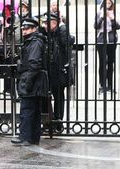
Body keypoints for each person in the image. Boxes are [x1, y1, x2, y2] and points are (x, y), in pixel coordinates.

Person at [11, 17, 48, 146]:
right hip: (33, 80)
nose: (24, 31)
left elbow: (34, 64)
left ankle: (26, 136)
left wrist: (27, 82)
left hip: (31, 80)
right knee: (33, 110)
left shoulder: (35, 42)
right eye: (23, 29)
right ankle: (32, 137)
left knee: (27, 109)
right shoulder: (32, 41)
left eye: (27, 29)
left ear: (34, 28)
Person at [42, 13, 74, 132]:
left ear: (55, 23)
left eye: (47, 23)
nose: (45, 25)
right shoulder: (45, 33)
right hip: (47, 71)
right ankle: (47, 122)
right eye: (45, 23)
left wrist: (62, 26)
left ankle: (58, 122)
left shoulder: (61, 32)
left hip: (59, 71)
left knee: (59, 97)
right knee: (45, 97)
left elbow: (67, 42)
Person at [94, 0, 120, 94]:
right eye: (106, 3)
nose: (108, 5)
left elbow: (118, 26)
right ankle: (102, 85)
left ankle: (110, 85)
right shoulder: (99, 13)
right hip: (101, 40)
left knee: (110, 63)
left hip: (111, 40)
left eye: (109, 3)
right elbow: (95, 26)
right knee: (102, 63)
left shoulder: (114, 12)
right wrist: (101, 17)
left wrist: (112, 18)